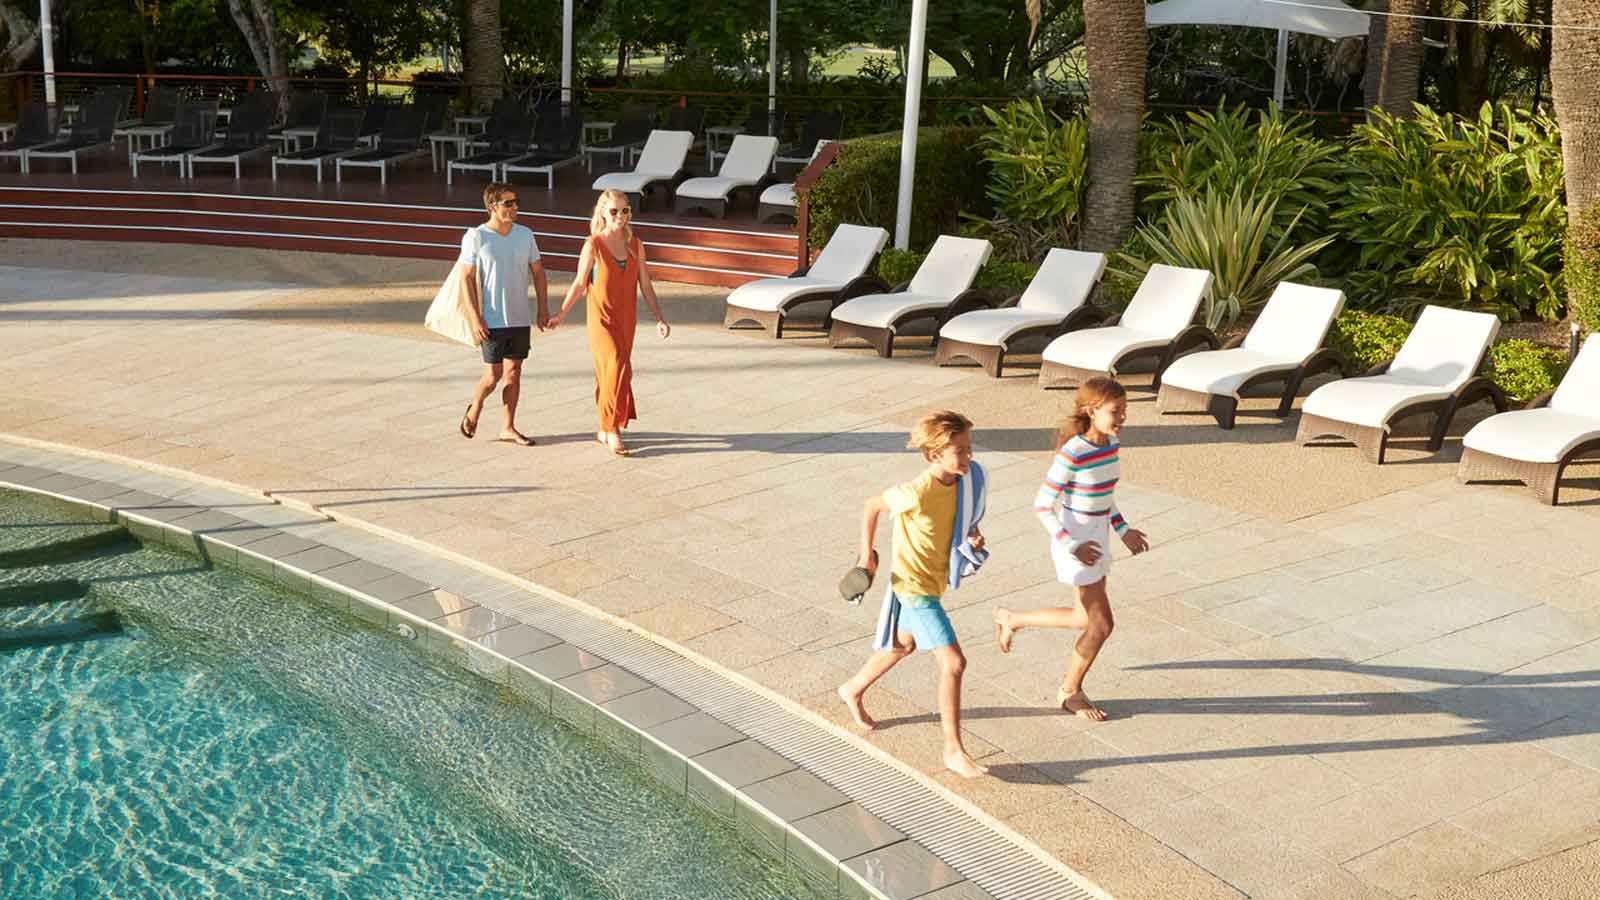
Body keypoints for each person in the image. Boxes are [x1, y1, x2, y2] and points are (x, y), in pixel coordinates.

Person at [836, 410, 990, 779]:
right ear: (934, 455)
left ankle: (852, 689)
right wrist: (865, 556)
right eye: (960, 451)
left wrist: (971, 536)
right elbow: (872, 506)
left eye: (969, 448)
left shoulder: (963, 482)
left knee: (902, 645)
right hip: (914, 589)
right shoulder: (915, 493)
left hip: (932, 582)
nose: (969, 456)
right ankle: (953, 750)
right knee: (953, 663)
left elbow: (960, 519)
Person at [992, 376, 1150, 721]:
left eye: (1125, 410)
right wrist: (1073, 545)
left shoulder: (1110, 444)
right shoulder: (1072, 454)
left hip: (1097, 540)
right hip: (1075, 543)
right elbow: (1041, 505)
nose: (1123, 417)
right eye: (1116, 411)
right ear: (1092, 411)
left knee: (1082, 618)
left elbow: (1104, 495)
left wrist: (1123, 530)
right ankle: (1070, 692)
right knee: (1101, 625)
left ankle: (1013, 619)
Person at [548, 188, 670, 456]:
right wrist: (561, 314)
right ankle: (612, 428)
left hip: (627, 319)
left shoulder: (636, 245)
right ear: (602, 213)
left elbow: (646, 285)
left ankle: (604, 426)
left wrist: (659, 318)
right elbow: (580, 283)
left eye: (625, 210)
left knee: (612, 372)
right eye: (614, 211)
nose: (620, 216)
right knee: (615, 363)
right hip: (601, 320)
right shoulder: (593, 245)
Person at [458, 182, 549, 447]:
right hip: (492, 319)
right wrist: (475, 317)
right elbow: (466, 278)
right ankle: (476, 405)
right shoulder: (476, 237)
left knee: (514, 373)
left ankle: (508, 427)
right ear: (492, 206)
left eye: (516, 202)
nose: (515, 207)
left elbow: (538, 272)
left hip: (519, 317)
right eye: (508, 203)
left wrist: (543, 308)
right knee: (493, 376)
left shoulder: (525, 235)